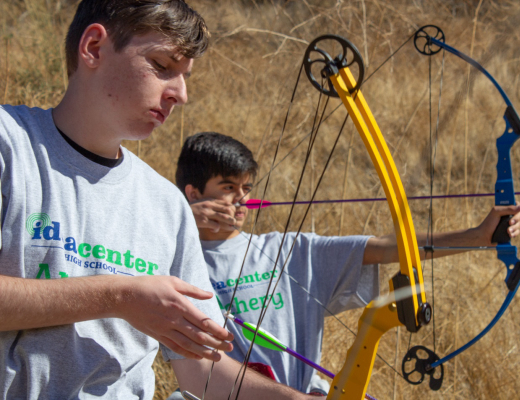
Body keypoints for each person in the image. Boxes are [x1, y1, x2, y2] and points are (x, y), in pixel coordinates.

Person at [0, 1, 313, 399]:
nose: (180, 94)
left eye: (185, 76)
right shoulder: (9, 143)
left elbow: (200, 371)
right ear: (94, 47)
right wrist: (121, 296)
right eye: (163, 66)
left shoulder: (166, 203)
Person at [175, 131, 520, 395]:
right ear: (194, 194)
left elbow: (388, 248)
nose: (241, 200)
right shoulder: (170, 255)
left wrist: (478, 236)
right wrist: (182, 220)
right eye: (227, 188)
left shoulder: (288, 251)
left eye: (247, 188)